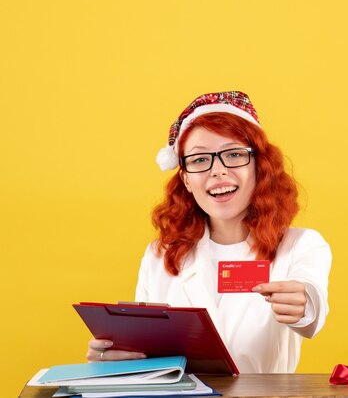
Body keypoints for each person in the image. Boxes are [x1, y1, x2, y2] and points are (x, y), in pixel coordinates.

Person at [86, 91, 332, 373]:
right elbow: (149, 359)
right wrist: (114, 358)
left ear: (259, 168)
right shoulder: (160, 254)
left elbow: (312, 306)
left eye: (234, 154)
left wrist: (304, 305)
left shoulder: (302, 245)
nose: (217, 171)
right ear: (186, 179)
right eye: (200, 160)